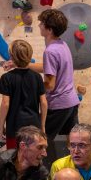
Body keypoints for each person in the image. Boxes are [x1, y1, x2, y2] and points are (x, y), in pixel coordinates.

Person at [23, 8, 78, 139]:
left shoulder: (50, 51)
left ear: (50, 29)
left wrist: (29, 87)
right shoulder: (62, 45)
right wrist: (23, 65)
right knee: (70, 145)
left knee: (41, 143)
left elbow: (49, 85)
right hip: (71, 102)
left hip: (58, 105)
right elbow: (49, 68)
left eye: (42, 23)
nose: (39, 25)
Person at [0, 38, 46, 148]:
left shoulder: (6, 78)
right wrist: (42, 126)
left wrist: (0, 127)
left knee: (14, 158)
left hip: (14, 126)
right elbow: (43, 103)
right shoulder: (37, 77)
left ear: (12, 57)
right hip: (34, 125)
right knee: (33, 157)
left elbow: (5, 104)